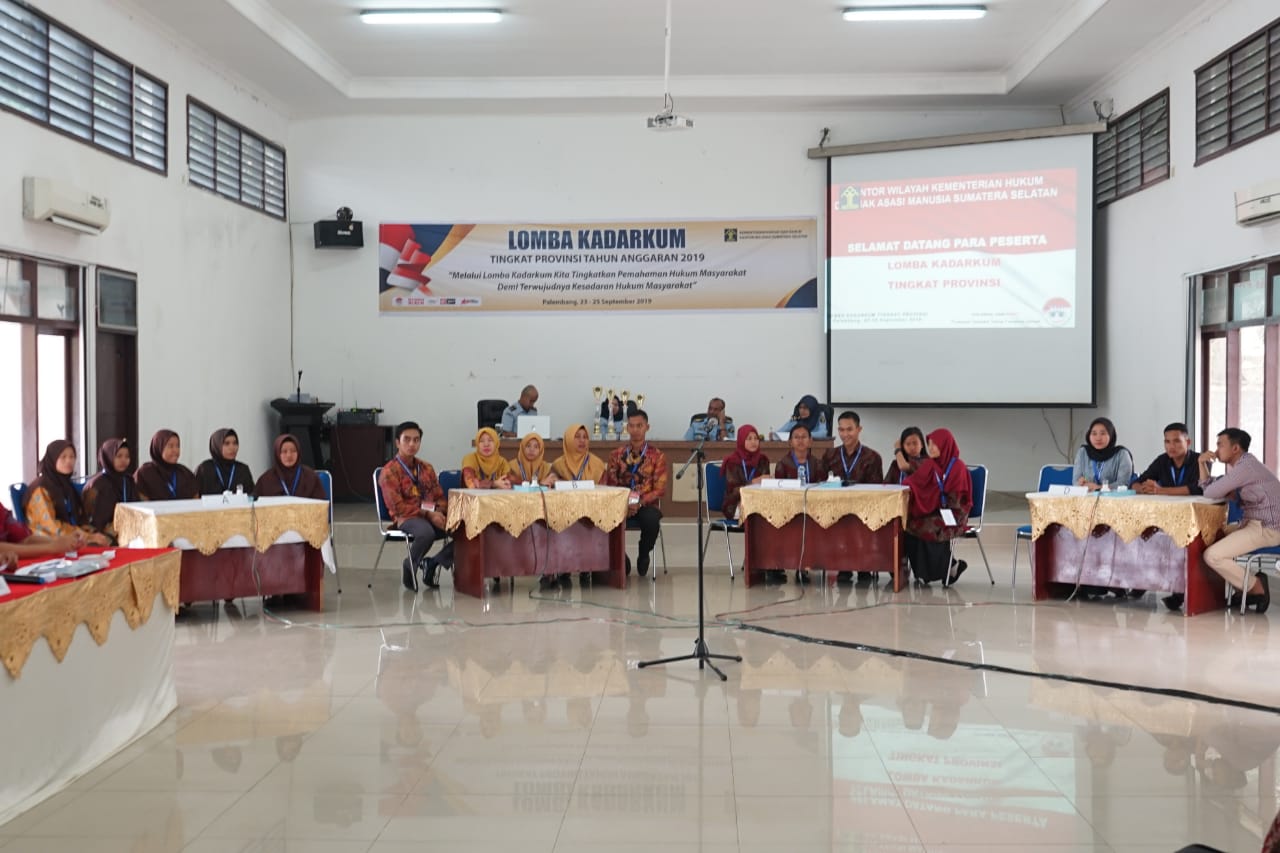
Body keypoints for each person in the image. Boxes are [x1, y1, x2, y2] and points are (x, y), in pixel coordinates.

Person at [1195, 428, 1280, 614]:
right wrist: (1202, 464)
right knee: (1214, 534)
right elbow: (1210, 488)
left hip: (1267, 528)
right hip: (1254, 523)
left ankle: (1255, 587)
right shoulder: (1244, 466)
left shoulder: (1245, 468)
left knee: (1212, 555)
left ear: (1235, 448)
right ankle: (1231, 588)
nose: (1216, 450)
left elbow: (1210, 493)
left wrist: (1205, 469)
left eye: (1220, 445)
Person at [378, 421, 453, 592]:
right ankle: (410, 564)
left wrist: (439, 512)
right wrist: (429, 515)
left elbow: (440, 498)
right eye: (407, 439)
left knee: (466, 530)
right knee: (426, 532)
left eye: (416, 440)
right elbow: (398, 507)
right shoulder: (389, 472)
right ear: (397, 442)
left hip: (431, 515)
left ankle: (433, 563)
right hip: (406, 517)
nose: (412, 444)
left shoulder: (426, 468)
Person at [896, 428, 973, 586]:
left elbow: (955, 502)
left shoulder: (957, 467)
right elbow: (914, 482)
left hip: (954, 514)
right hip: (937, 510)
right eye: (929, 444)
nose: (930, 448)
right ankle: (928, 572)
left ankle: (948, 568)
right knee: (910, 523)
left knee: (927, 526)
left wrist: (932, 504)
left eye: (934, 445)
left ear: (945, 445)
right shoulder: (931, 464)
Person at [603, 409, 668, 577]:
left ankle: (644, 553)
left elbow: (659, 488)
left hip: (645, 504)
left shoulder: (658, 456)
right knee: (604, 518)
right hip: (621, 503)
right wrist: (625, 502)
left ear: (647, 427)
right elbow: (611, 484)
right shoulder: (616, 455)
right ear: (627, 428)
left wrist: (638, 503)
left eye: (639, 426)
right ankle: (621, 557)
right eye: (631, 426)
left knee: (652, 520)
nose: (635, 430)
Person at [823, 411, 885, 583]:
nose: (845, 434)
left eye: (849, 429)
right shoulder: (830, 456)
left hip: (864, 510)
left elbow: (876, 490)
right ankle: (844, 566)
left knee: (859, 525)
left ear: (859, 429)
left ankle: (864, 567)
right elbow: (823, 484)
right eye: (841, 430)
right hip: (836, 509)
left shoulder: (872, 457)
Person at [22, 440, 111, 546]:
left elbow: (78, 518)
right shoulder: (41, 488)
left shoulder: (65, 484)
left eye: (72, 457)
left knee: (108, 539)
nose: (69, 461)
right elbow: (50, 526)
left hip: (71, 534)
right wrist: (88, 537)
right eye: (63, 457)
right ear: (53, 459)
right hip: (47, 540)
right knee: (99, 544)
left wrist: (92, 533)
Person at [771, 423, 828, 584]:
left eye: (804, 437)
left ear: (810, 441)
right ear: (790, 442)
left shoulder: (817, 463)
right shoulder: (783, 464)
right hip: (789, 509)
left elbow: (823, 487)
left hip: (813, 508)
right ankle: (780, 565)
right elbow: (779, 491)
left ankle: (806, 565)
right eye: (796, 437)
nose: (800, 440)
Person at [83, 437, 134, 542]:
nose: (124, 460)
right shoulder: (97, 484)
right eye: (119, 456)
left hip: (129, 529)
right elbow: (88, 518)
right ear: (108, 457)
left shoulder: (128, 480)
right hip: (101, 533)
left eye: (127, 456)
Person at [0, 500, 80, 566]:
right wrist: (52, 547)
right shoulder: (40, 491)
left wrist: (63, 541)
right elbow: (51, 527)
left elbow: (24, 539)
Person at [1134, 422, 1203, 496]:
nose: (1171, 446)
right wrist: (1144, 489)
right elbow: (1136, 483)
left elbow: (1198, 488)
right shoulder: (1162, 460)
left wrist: (1159, 490)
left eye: (1177, 441)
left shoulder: (1200, 460)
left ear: (1188, 442)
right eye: (1167, 442)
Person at [720, 424, 770, 520]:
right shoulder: (732, 462)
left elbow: (765, 488)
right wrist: (752, 482)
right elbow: (733, 492)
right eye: (749, 439)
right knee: (752, 513)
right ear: (741, 440)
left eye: (756, 438)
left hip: (758, 501)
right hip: (735, 503)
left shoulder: (763, 460)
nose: (753, 442)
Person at [253, 434, 326, 499]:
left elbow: (321, 506)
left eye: (293, 451)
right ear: (277, 454)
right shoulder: (265, 480)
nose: (289, 455)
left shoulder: (310, 477)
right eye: (284, 451)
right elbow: (255, 505)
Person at [135, 429, 200, 501]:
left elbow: (196, 501)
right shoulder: (145, 473)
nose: (175, 450)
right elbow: (141, 504)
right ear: (159, 447)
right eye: (171, 446)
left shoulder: (185, 473)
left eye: (178, 446)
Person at [1072, 417, 1134, 490]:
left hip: (1113, 497)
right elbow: (1075, 482)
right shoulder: (1083, 452)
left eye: (1103, 433)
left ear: (1111, 435)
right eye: (1094, 434)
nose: (1098, 438)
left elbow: (1123, 484)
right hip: (1088, 496)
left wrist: (1098, 488)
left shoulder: (1122, 454)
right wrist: (1081, 484)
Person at [195, 428, 255, 495]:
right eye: (227, 443)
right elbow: (195, 496)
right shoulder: (204, 469)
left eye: (235, 443)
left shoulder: (243, 470)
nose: (232, 447)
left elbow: (252, 496)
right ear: (217, 445)